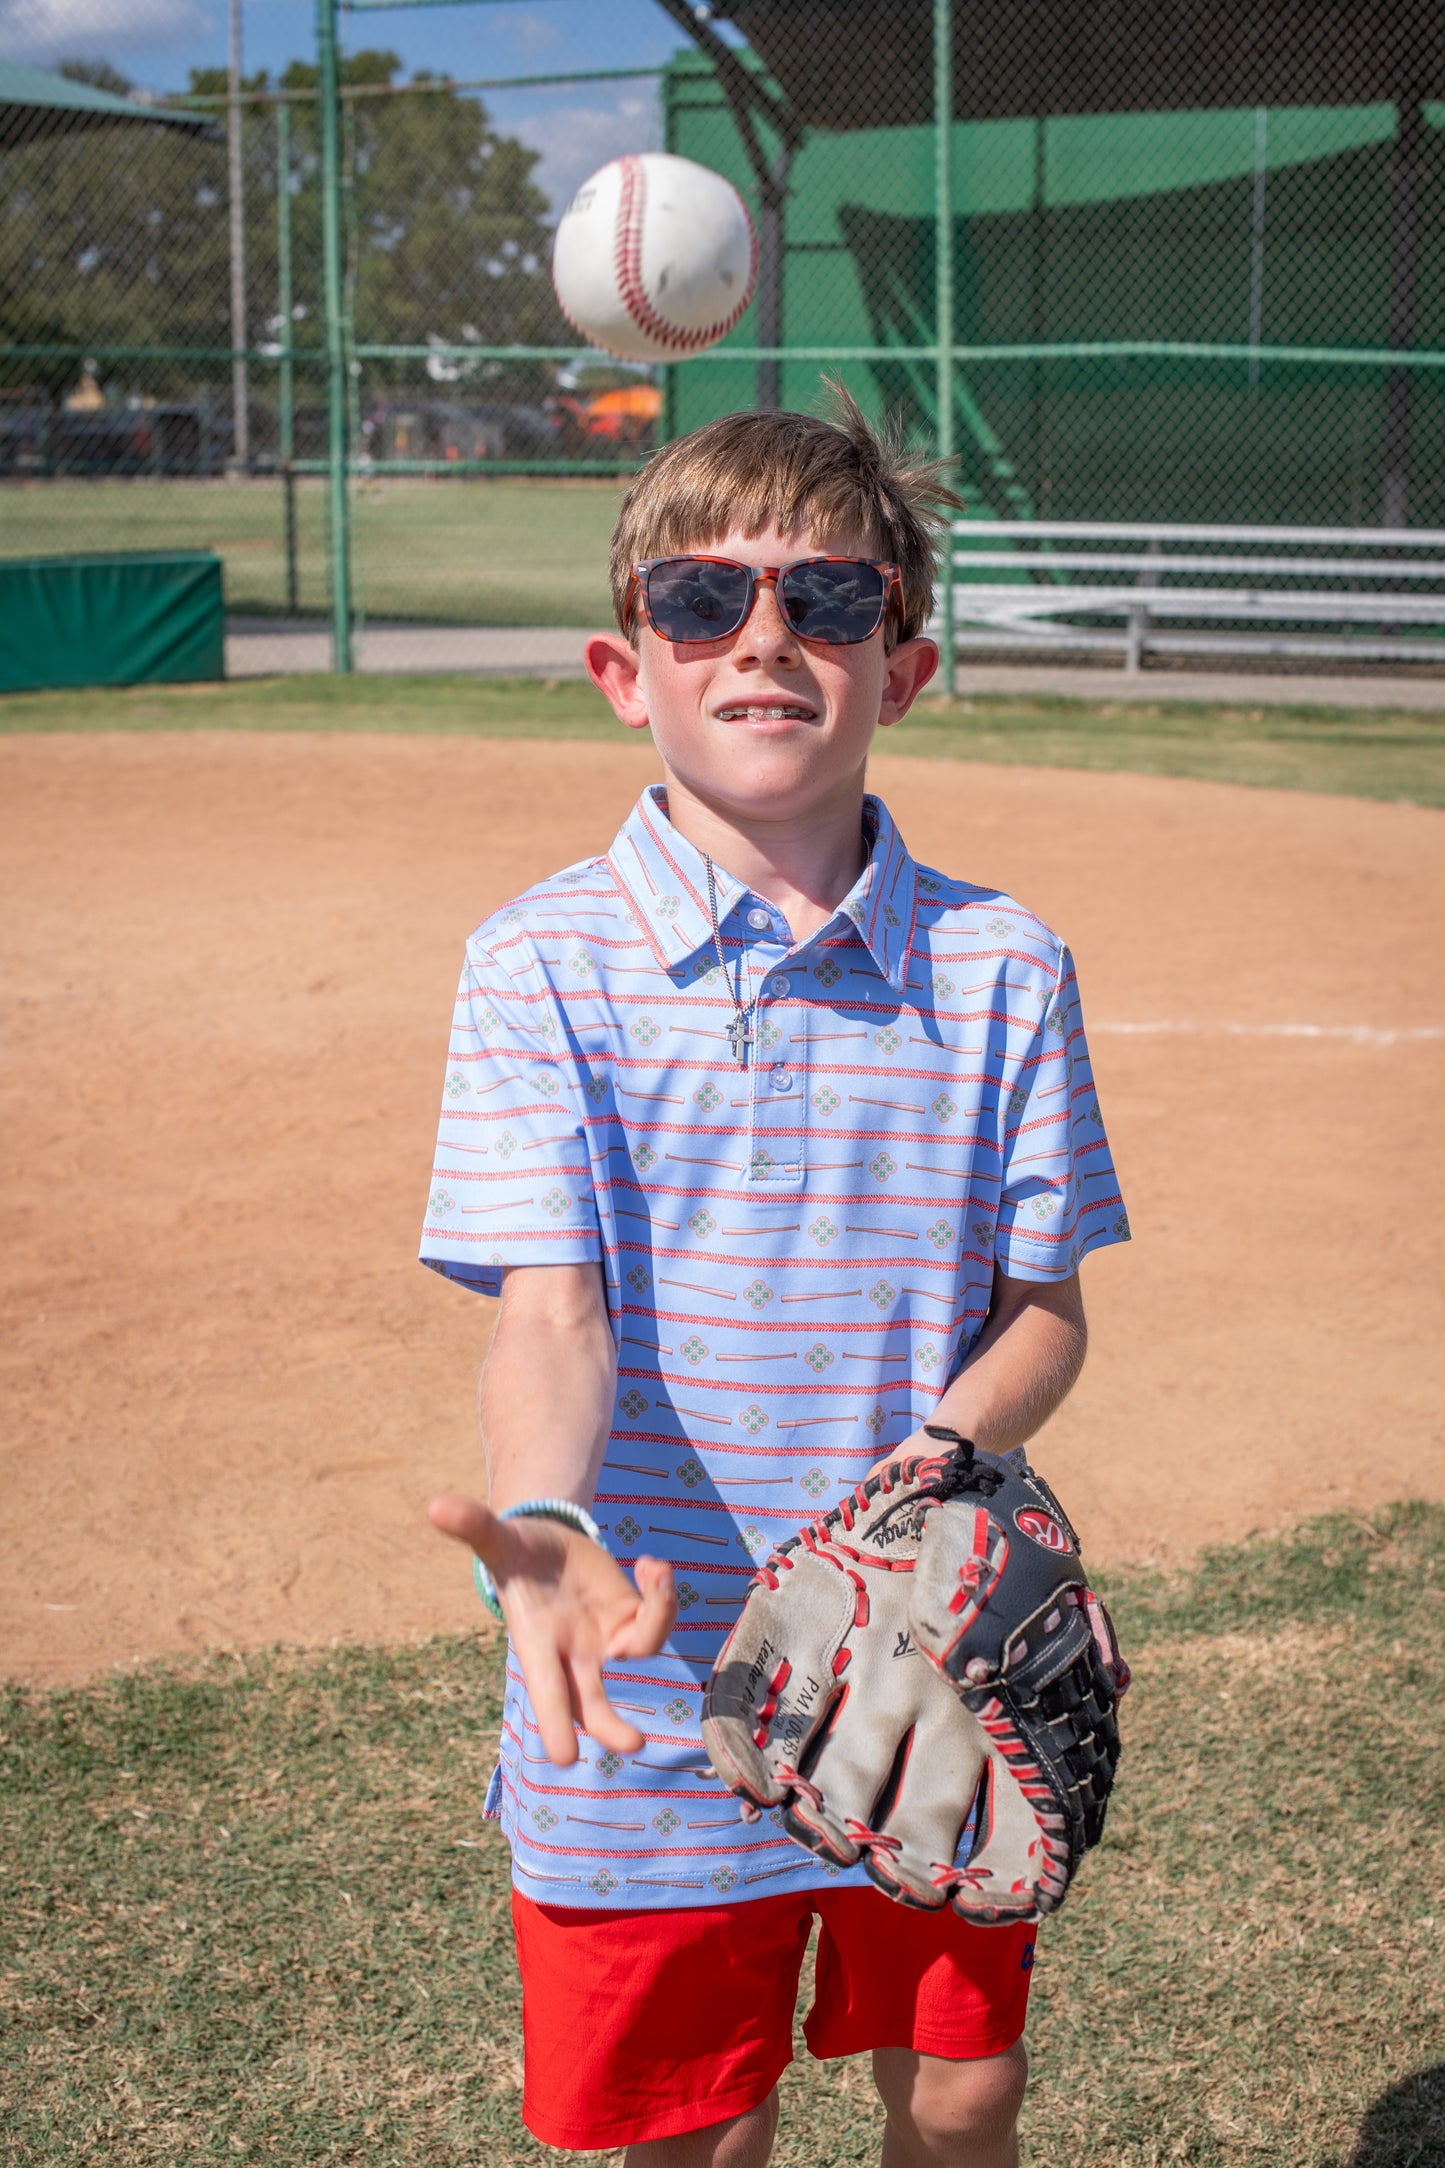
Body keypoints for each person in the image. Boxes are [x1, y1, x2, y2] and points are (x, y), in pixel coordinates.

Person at [420, 387, 1129, 2167]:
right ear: (621, 665)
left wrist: (949, 1447)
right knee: (694, 2132)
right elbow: (548, 1312)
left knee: (962, 2096)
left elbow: (1040, 1312)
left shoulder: (1000, 968)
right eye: (699, 602)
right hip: (647, 1693)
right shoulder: (540, 965)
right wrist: (547, 1515)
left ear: (902, 665)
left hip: (915, 1667)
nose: (762, 640)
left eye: (825, 602)